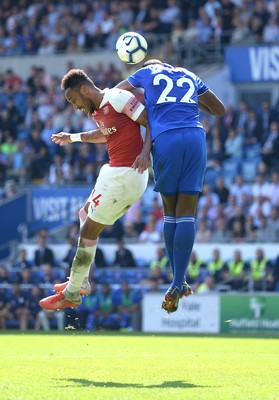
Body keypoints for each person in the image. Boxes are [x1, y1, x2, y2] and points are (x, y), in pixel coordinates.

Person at [116, 59, 225, 313]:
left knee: (171, 215)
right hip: (196, 138)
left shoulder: (146, 72)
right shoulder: (189, 74)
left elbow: (116, 92)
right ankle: (179, 281)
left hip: (167, 139)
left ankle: (177, 279)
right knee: (188, 213)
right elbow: (218, 109)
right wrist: (186, 103)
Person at [39, 68, 151, 311]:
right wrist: (73, 138)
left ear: (86, 90)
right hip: (114, 172)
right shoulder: (98, 110)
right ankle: (83, 281)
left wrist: (145, 153)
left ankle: (72, 293)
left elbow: (149, 120)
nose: (75, 106)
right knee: (84, 214)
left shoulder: (118, 98)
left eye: (74, 100)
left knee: (88, 231)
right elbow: (106, 134)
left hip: (127, 173)